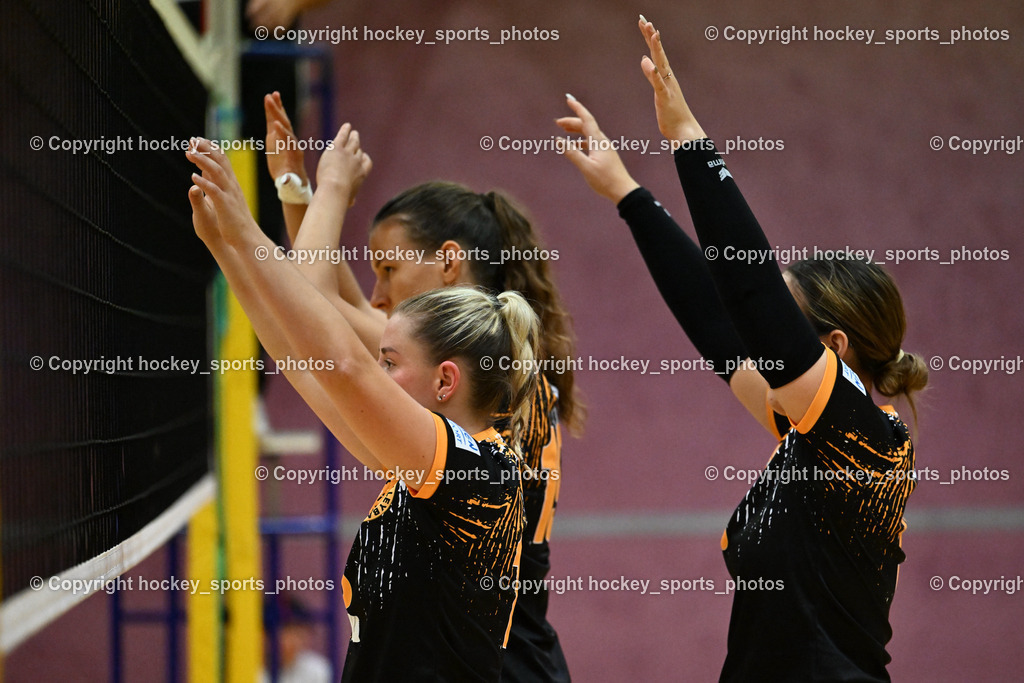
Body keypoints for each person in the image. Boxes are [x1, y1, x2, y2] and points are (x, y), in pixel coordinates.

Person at [555, 17, 928, 682]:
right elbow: (722, 327)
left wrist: (688, 141)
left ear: (835, 346)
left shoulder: (867, 440)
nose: (765, 336)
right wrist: (628, 194)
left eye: (787, 322)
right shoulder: (806, 432)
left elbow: (751, 296)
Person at [185, 134, 540, 681]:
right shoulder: (416, 468)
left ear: (446, 380)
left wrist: (248, 231)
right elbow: (308, 367)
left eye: (391, 361)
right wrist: (228, 252)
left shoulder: (474, 472)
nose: (379, 372)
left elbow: (345, 366)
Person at [263, 93, 580, 681]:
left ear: (449, 263)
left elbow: (317, 311)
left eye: (388, 268)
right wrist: (299, 194)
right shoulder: (496, 348)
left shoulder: (477, 355)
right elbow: (331, 313)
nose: (378, 292)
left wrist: (325, 191)